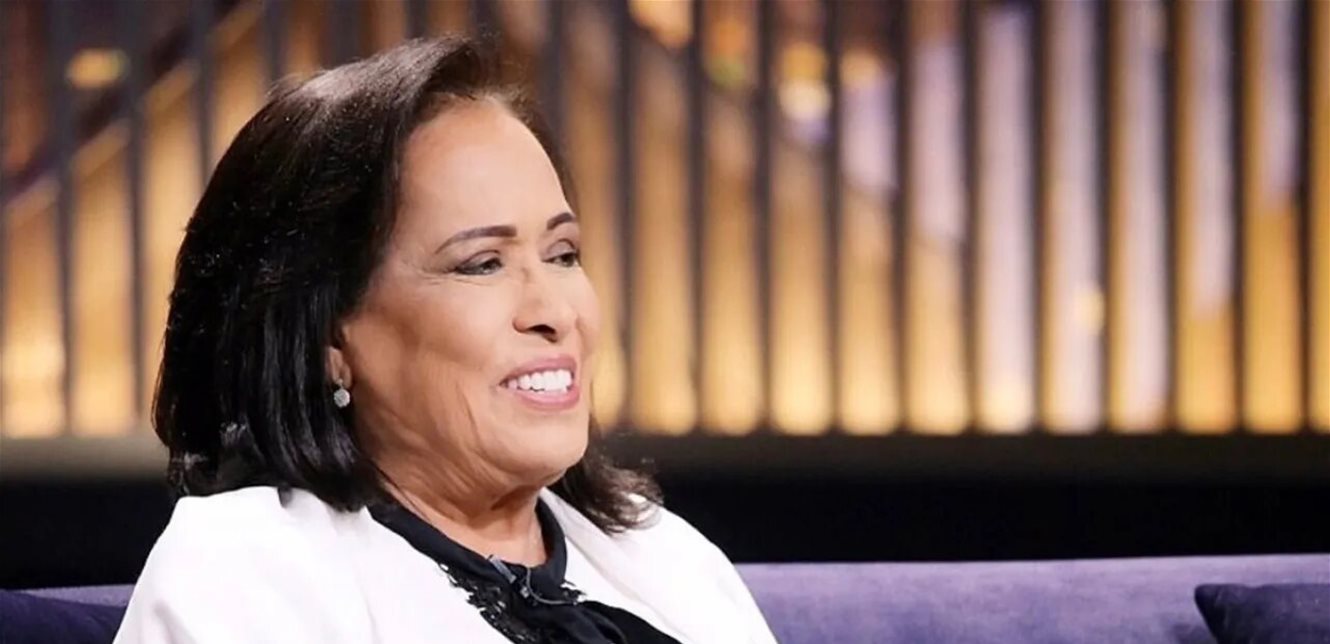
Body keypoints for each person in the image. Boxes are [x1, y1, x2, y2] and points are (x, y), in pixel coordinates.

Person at [113, 37, 775, 644]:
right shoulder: (246, 573)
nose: (554, 311)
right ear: (328, 337)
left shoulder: (661, 555)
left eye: (563, 254)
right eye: (482, 264)